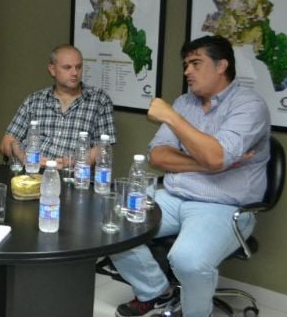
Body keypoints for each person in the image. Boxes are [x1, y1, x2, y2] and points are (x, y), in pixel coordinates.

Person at [110, 35, 270, 317]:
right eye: (186, 65)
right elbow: (158, 156)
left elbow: (216, 156)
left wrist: (171, 118)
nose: (187, 71)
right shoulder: (185, 103)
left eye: (196, 63)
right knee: (111, 223)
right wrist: (211, 164)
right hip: (174, 196)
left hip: (224, 206)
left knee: (187, 260)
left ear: (222, 66)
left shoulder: (249, 106)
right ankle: (156, 291)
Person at [0, 44, 116, 165]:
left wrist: (74, 162)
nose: (75, 73)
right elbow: (6, 143)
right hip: (31, 171)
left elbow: (104, 148)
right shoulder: (34, 100)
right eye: (67, 67)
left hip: (73, 173)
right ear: (52, 69)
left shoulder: (99, 100)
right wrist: (25, 159)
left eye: (79, 67)